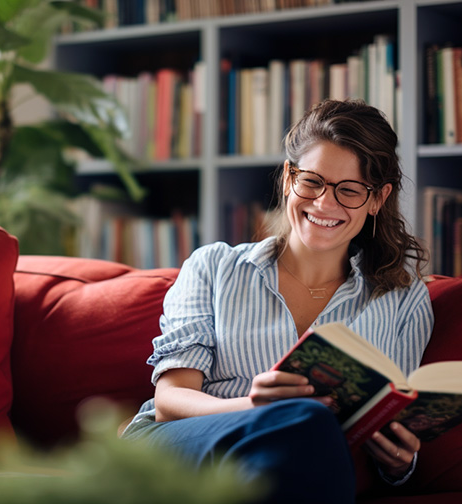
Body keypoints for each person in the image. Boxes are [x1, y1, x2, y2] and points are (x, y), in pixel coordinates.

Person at [120, 99, 434, 503]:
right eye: (312, 181)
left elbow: (387, 420)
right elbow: (169, 401)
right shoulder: (213, 266)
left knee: (308, 438)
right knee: (307, 421)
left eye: (350, 190)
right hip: (182, 444)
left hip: (302, 465)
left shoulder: (404, 298)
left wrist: (398, 464)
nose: (324, 203)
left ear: (377, 199)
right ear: (289, 178)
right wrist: (254, 407)